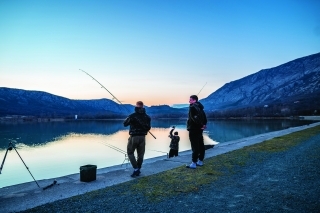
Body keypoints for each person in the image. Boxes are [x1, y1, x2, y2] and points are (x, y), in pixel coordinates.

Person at [123, 101, 151, 177]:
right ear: (142, 106)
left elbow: (125, 124)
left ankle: (136, 169)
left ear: (136, 106)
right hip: (143, 137)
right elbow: (148, 128)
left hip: (134, 137)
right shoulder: (147, 117)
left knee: (130, 152)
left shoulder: (132, 116)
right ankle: (138, 168)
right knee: (141, 154)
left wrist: (128, 118)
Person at [186, 95, 207, 169]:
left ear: (194, 100)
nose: (189, 101)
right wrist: (203, 125)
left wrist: (201, 125)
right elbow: (204, 117)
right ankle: (200, 161)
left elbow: (194, 118)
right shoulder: (201, 108)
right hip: (200, 129)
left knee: (195, 146)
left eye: (191, 100)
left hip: (193, 129)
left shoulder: (192, 107)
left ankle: (194, 163)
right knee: (201, 144)